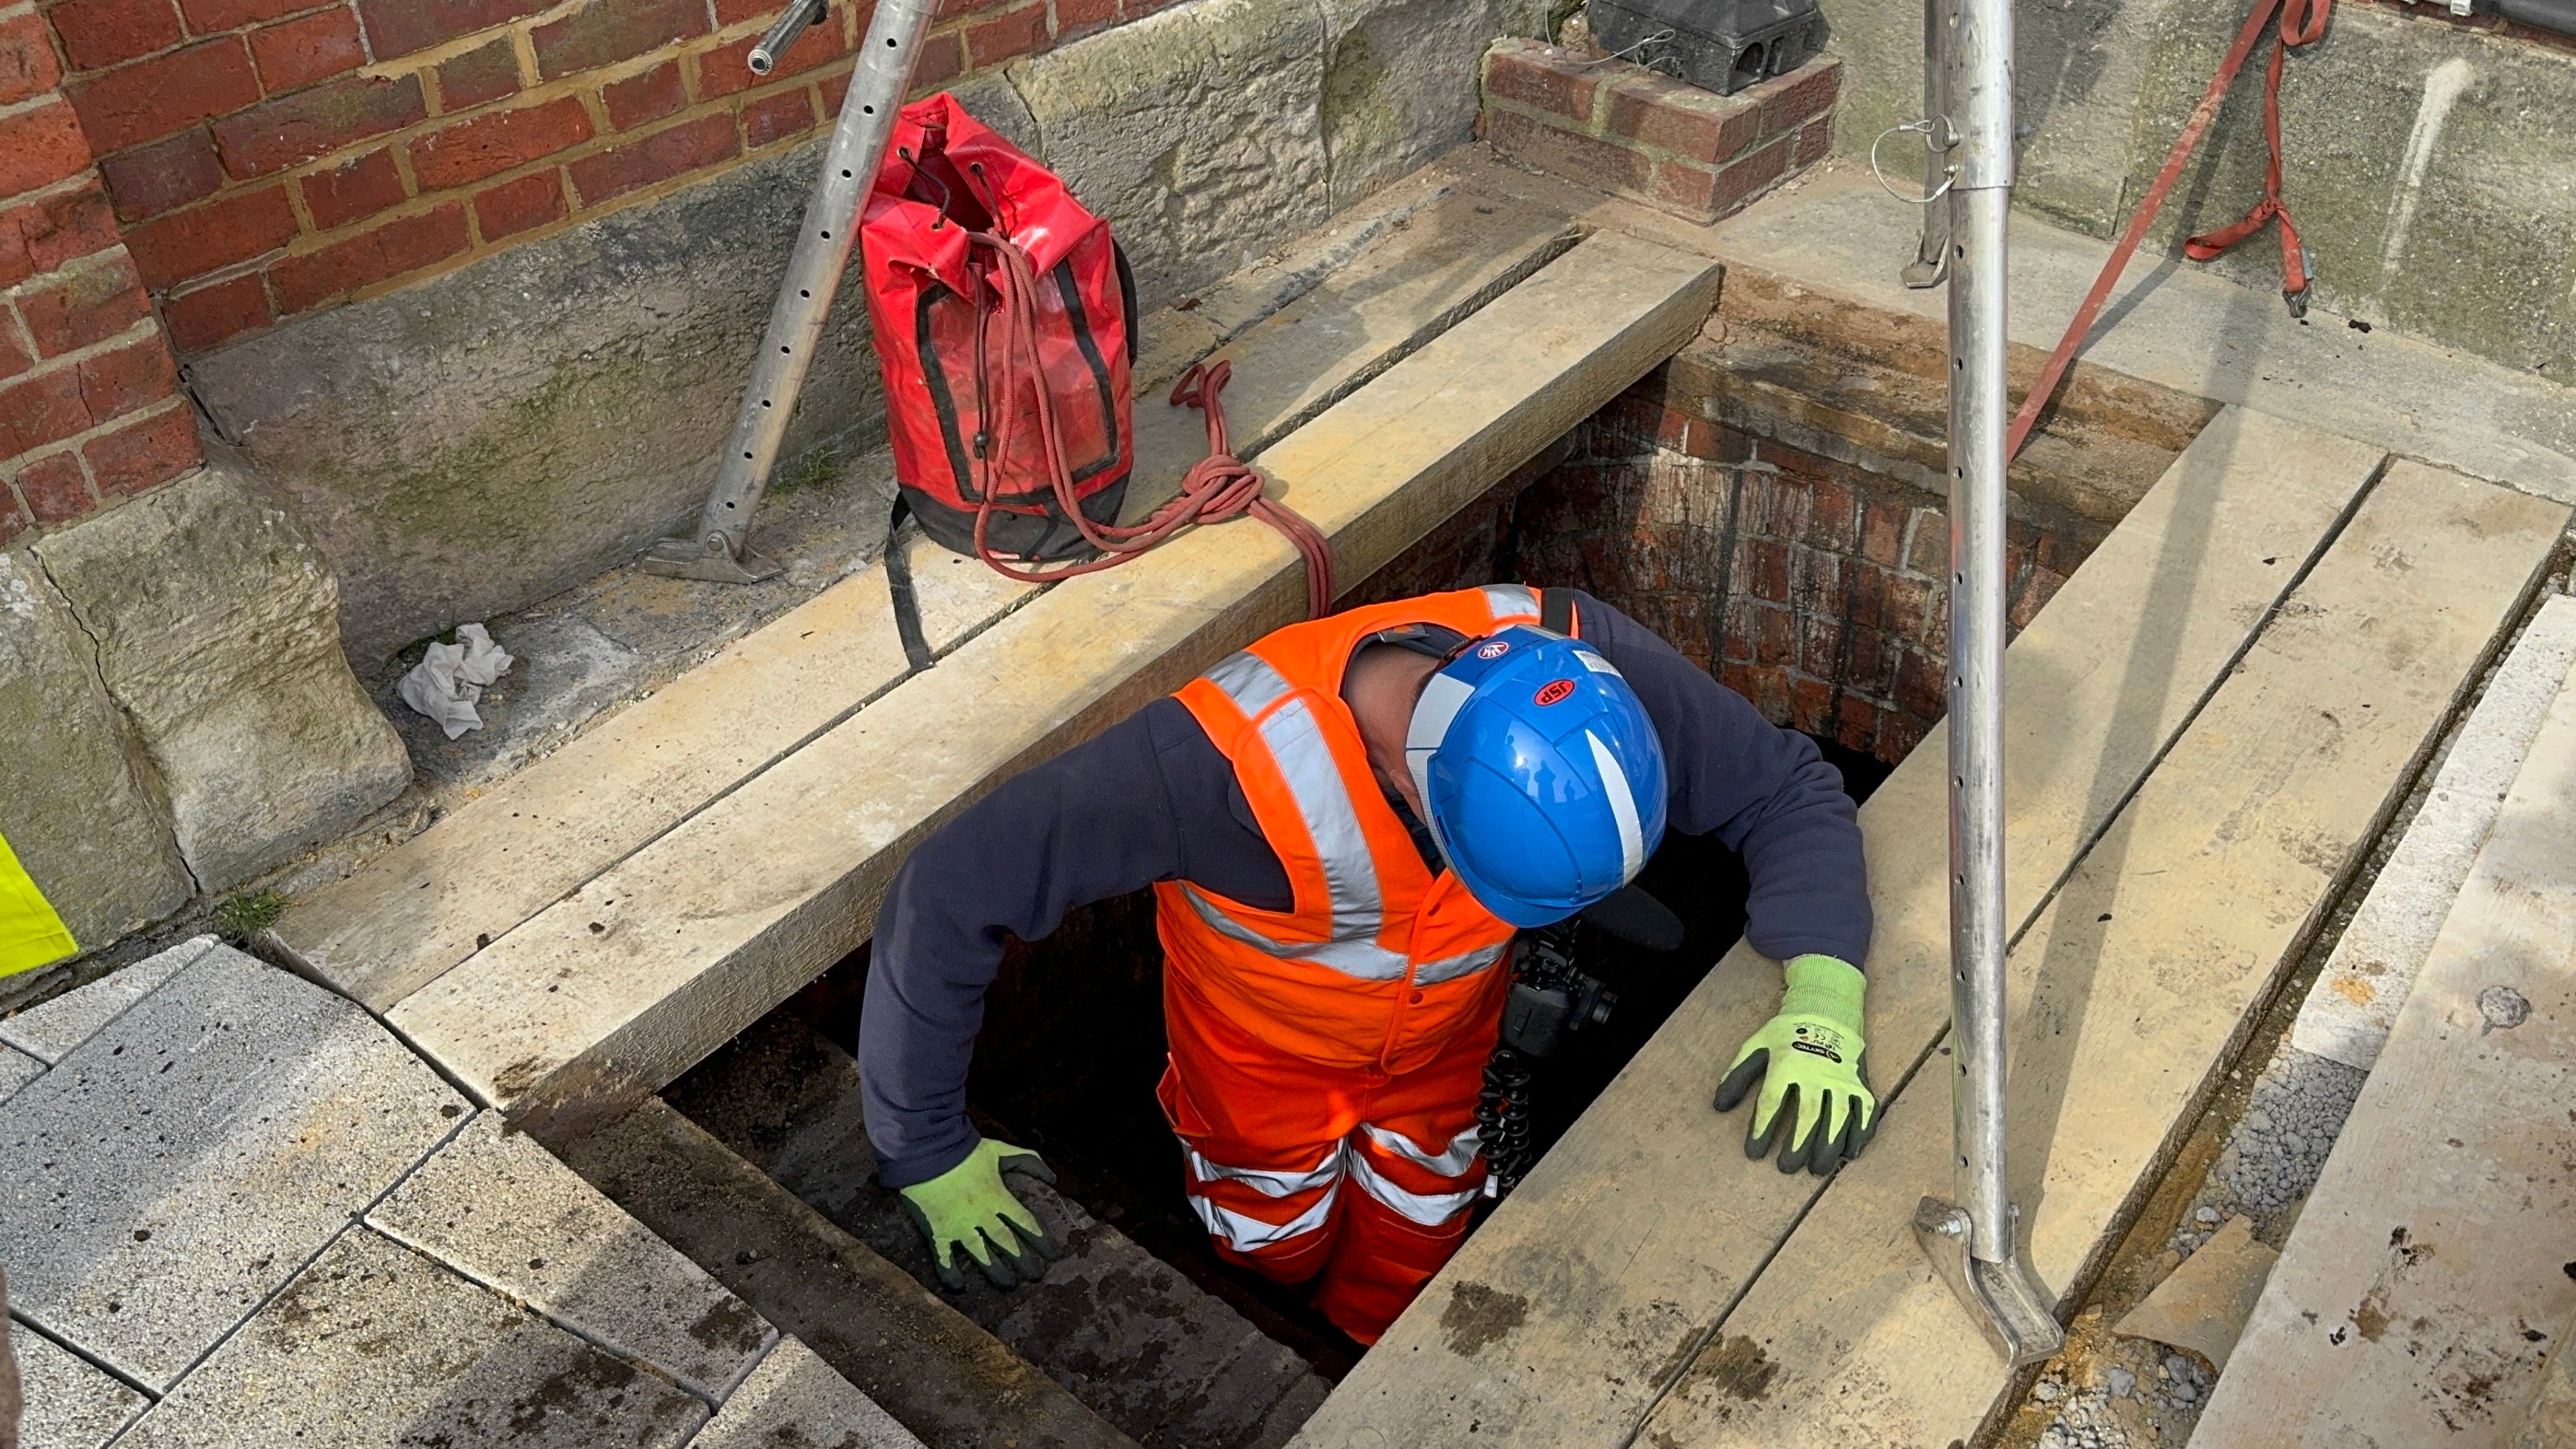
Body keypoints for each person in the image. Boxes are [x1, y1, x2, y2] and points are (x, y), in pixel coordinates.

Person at [861, 584, 1875, 1345]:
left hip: (1440, 1069)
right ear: (1412, 780)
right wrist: (924, 1145)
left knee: (1418, 1238)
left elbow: (1784, 790)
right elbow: (952, 889)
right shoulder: (1212, 769)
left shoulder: (1583, 657)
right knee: (1267, 1250)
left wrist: (1825, 989)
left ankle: (1363, 1354)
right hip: (1259, 1081)